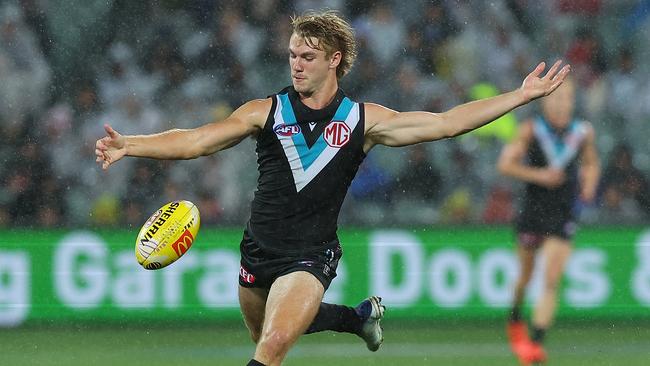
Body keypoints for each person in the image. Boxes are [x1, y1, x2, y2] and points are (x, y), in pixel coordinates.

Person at [95, 11, 570, 366]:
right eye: (292, 56)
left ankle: (348, 316)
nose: (296, 65)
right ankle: (355, 318)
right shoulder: (265, 111)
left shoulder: (363, 120)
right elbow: (197, 140)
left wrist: (521, 95)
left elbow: (445, 124)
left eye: (307, 57)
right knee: (268, 337)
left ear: (334, 60)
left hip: (311, 255)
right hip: (257, 252)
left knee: (274, 346)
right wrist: (130, 145)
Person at [498, 77, 600, 365]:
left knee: (552, 278)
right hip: (533, 211)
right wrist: (539, 176)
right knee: (526, 277)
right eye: (556, 98)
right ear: (545, 101)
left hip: (563, 211)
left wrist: (590, 183)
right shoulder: (531, 130)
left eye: (566, 98)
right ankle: (515, 314)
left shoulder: (582, 132)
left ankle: (536, 344)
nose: (561, 103)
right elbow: (505, 164)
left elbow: (591, 162)